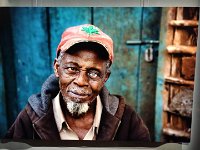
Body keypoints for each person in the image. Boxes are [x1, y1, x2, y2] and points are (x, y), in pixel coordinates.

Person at [4, 24, 150, 141]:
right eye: (72, 68)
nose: (81, 81)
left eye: (94, 73)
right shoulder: (30, 119)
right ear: (57, 68)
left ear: (105, 77)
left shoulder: (127, 120)